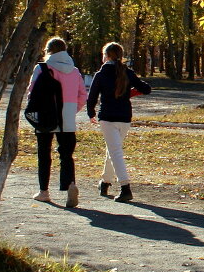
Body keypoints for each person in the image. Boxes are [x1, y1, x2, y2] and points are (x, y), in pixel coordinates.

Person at [87, 42, 151, 203]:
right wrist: (128, 94)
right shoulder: (127, 72)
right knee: (113, 149)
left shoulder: (101, 74)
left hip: (108, 117)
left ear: (106, 56)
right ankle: (105, 181)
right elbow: (146, 88)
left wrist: (91, 113)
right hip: (124, 116)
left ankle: (125, 187)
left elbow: (92, 97)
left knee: (115, 152)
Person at [30, 37, 87, 208]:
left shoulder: (41, 68)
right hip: (67, 118)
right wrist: (71, 110)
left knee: (44, 153)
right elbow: (82, 95)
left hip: (46, 115)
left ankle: (44, 191)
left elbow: (32, 92)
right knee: (66, 154)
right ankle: (70, 185)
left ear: (48, 50)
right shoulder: (75, 71)